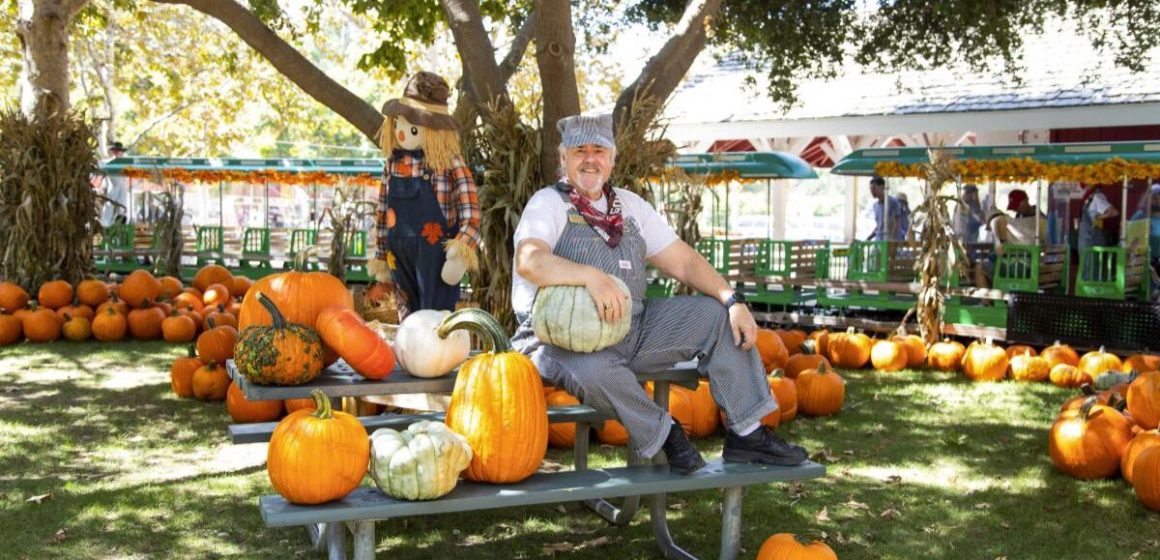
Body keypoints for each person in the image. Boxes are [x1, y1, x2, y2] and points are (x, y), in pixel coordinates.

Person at [510, 114, 808, 475]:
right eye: (580, 151)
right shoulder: (549, 204)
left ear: (612, 158)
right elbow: (530, 261)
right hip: (558, 341)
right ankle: (666, 435)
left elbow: (684, 262)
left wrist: (732, 299)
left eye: (599, 150)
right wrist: (589, 276)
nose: (590, 159)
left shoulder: (630, 207)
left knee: (716, 316)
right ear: (563, 158)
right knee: (592, 369)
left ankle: (748, 433)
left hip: (631, 327)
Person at [368, 72, 481, 319]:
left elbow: (470, 210)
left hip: (436, 255)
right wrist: (380, 256)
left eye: (412, 126)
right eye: (398, 123)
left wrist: (462, 248)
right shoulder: (392, 164)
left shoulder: (448, 163)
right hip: (398, 254)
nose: (400, 132)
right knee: (407, 314)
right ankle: (410, 353)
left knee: (436, 316)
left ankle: (438, 355)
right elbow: (382, 210)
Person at [974, 189, 1047, 288]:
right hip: (1031, 265)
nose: (1015, 210)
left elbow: (998, 221)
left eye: (1017, 206)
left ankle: (986, 301)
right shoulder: (1022, 217)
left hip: (1022, 266)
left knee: (981, 267)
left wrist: (1000, 243)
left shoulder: (1038, 221)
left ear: (1026, 201)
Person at [1077, 184, 1120, 279]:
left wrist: (1100, 217)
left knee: (1091, 271)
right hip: (1086, 240)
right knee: (1086, 269)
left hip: (1091, 240)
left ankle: (1090, 293)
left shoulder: (1097, 197)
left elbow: (1113, 212)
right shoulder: (1089, 198)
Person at [866, 175, 905, 241]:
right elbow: (879, 226)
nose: (872, 192)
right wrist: (869, 238)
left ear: (882, 187)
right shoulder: (875, 206)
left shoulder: (893, 202)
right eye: (871, 189)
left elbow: (897, 222)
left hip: (891, 240)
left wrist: (892, 239)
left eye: (874, 188)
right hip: (879, 240)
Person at [100, 142, 129, 227]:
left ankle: (120, 219)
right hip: (113, 187)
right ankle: (106, 223)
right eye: (116, 151)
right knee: (110, 203)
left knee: (122, 203)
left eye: (119, 151)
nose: (118, 153)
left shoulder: (126, 163)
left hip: (121, 188)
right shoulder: (110, 163)